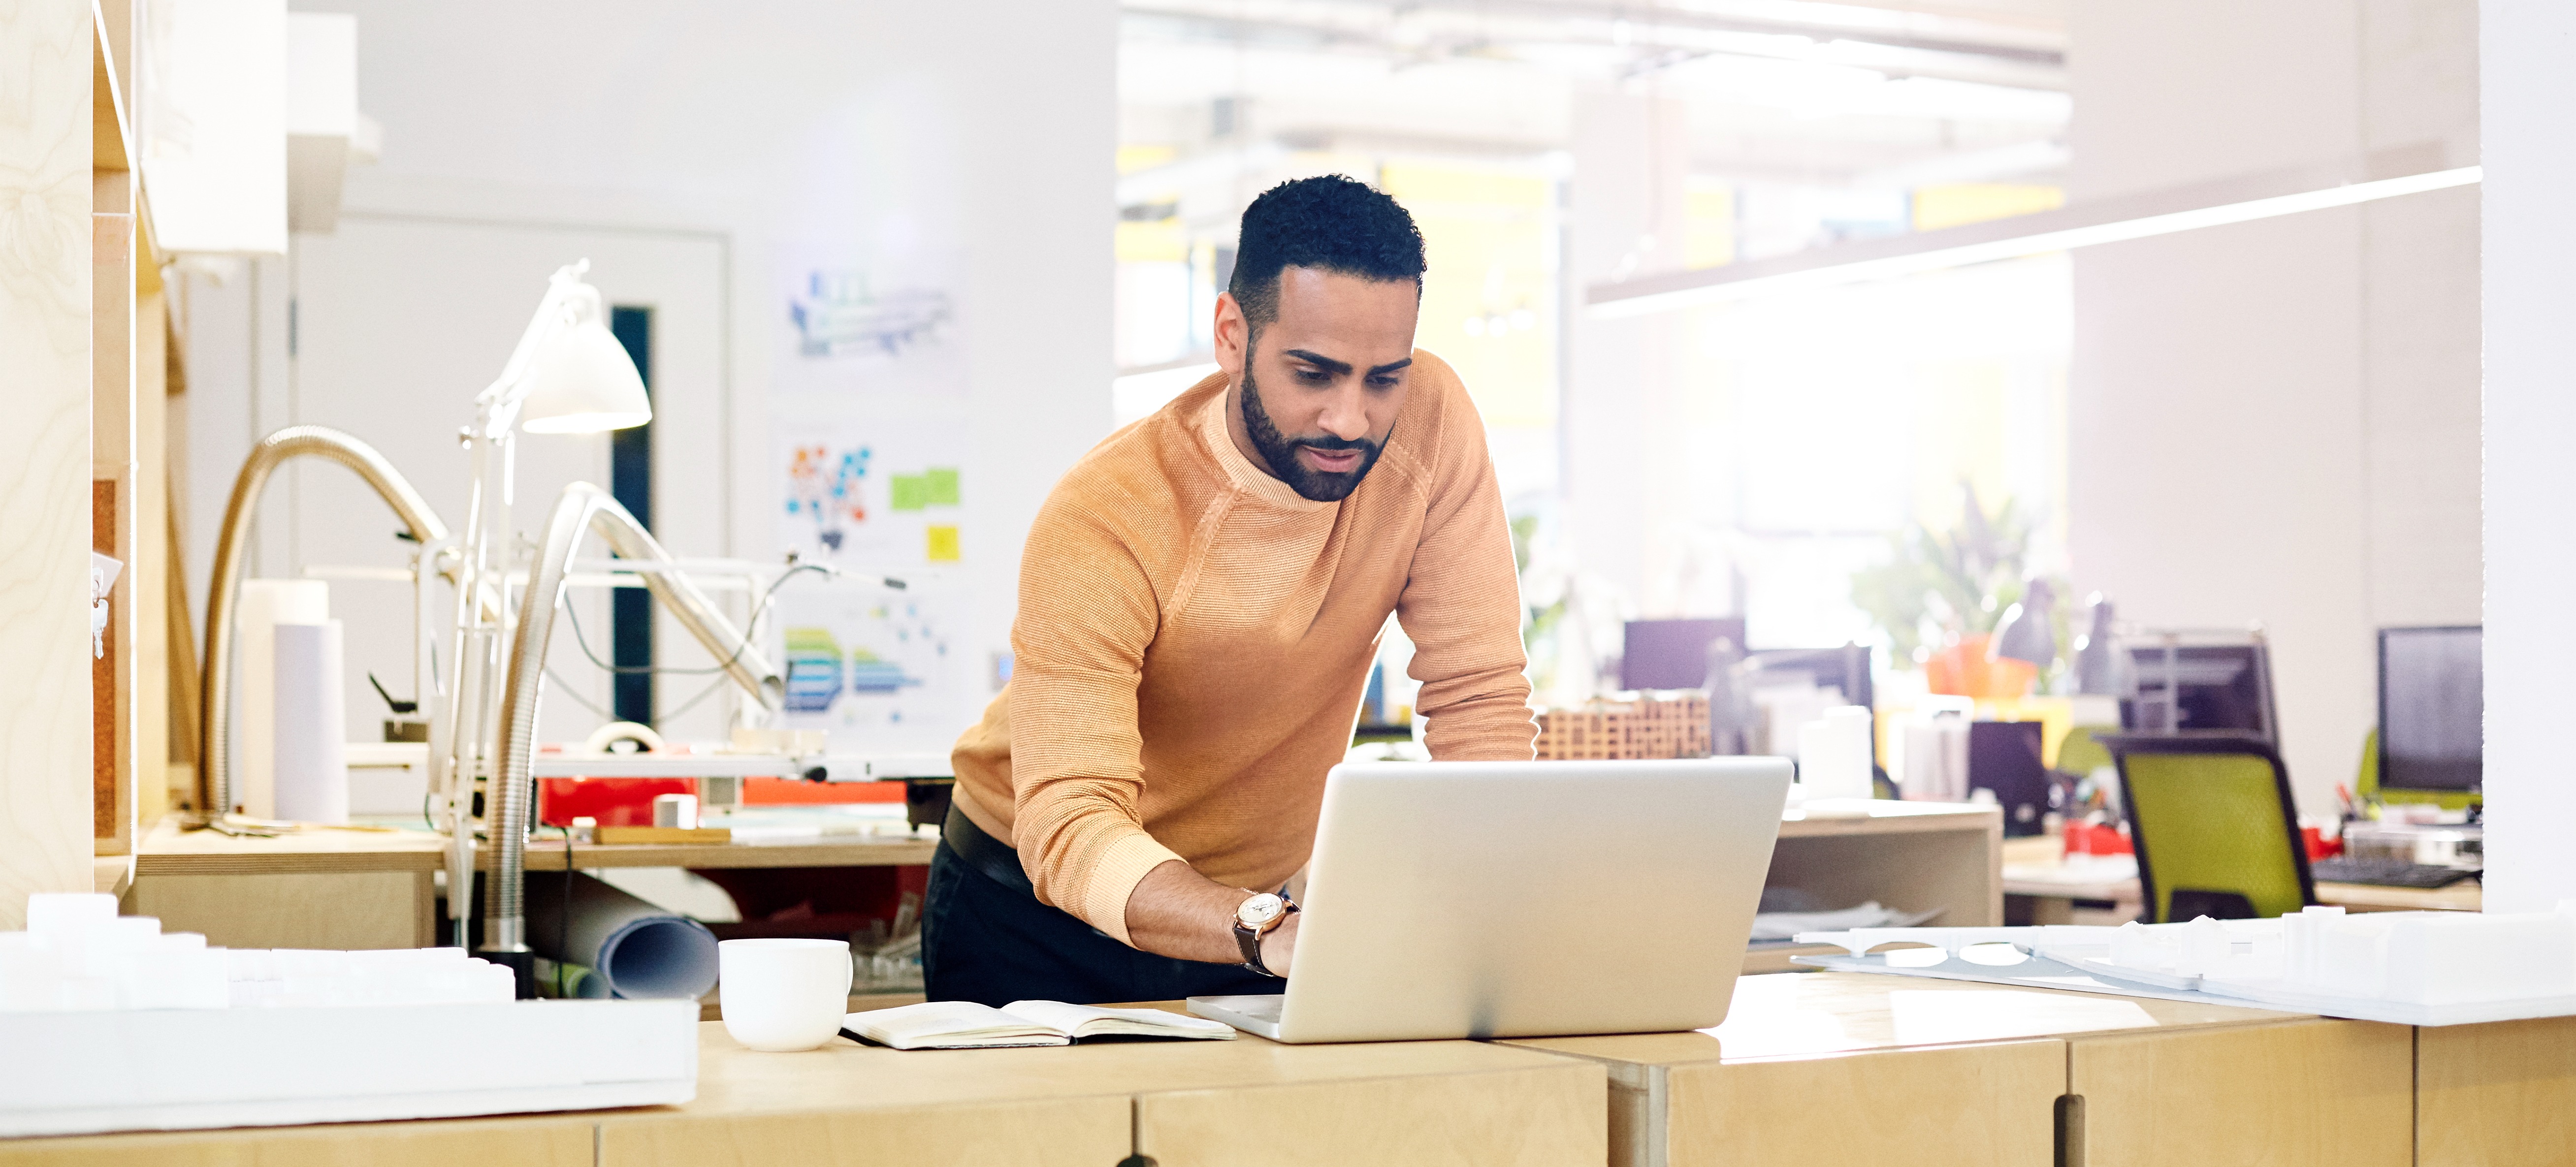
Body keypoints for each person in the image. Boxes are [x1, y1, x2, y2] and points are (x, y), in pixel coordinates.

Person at [924, 174, 1536, 1007]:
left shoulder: (1433, 421)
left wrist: (1498, 911)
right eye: (1313, 373)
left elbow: (1478, 698)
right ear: (1231, 335)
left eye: (1382, 378)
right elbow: (1070, 826)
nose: (1350, 419)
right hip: (1034, 918)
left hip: (1258, 917)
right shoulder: (1109, 514)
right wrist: (1264, 929)